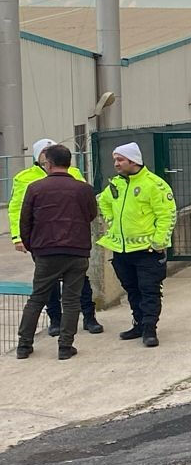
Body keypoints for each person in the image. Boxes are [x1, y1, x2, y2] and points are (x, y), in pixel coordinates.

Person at [15, 144, 99, 360]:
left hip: (46, 250)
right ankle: (65, 347)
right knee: (71, 300)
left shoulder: (34, 188)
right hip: (77, 250)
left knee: (37, 298)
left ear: (48, 164)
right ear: (69, 164)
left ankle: (24, 346)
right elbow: (91, 215)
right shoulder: (84, 189)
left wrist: (32, 245)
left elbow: (25, 221)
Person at [98, 141, 176, 347]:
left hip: (148, 251)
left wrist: (159, 241)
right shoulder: (116, 184)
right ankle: (139, 324)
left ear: (133, 161)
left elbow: (167, 215)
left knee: (149, 290)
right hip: (122, 250)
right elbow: (103, 201)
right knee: (132, 290)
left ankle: (150, 329)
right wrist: (111, 220)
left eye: (120, 160)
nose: (116, 163)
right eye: (115, 159)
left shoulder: (154, 184)